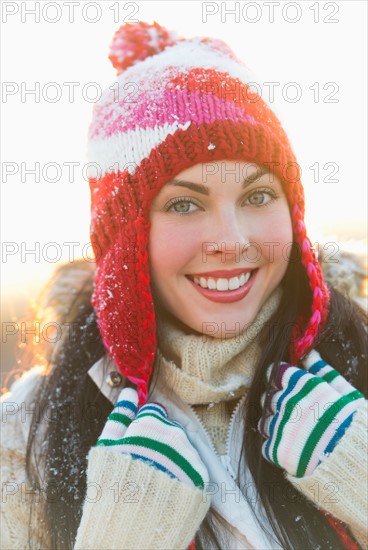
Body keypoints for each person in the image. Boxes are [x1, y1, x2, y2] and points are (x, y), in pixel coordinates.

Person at [1, 21, 367, 550]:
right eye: (184, 203)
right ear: (125, 239)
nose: (231, 239)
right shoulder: (27, 438)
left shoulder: (356, 364)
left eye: (258, 195)